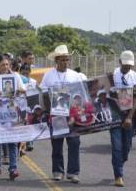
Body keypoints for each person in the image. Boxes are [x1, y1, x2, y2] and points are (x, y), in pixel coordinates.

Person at [40, 44, 85, 183]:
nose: (65, 62)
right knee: (57, 144)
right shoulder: (49, 75)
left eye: (67, 59)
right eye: (62, 60)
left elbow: (82, 93)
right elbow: (43, 92)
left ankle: (73, 172)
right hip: (56, 114)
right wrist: (48, 110)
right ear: (56, 60)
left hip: (72, 115)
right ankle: (58, 171)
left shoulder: (75, 75)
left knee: (74, 142)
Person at [0, 55, 26, 180]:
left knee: (12, 140)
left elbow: (23, 90)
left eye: (7, 64)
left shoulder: (16, 76)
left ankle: (13, 168)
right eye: (2, 65)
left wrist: (19, 90)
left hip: (12, 112)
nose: (5, 67)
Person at [94, 89, 130, 187]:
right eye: (101, 95)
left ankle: (119, 162)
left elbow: (135, 101)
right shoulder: (96, 105)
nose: (103, 97)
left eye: (104, 95)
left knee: (126, 148)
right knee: (116, 147)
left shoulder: (112, 102)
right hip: (114, 125)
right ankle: (118, 175)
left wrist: (129, 117)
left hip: (127, 120)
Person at [113, 50, 136, 139]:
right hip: (117, 101)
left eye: (129, 64)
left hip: (131, 102)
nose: (127, 66)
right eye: (125, 64)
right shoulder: (114, 74)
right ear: (120, 62)